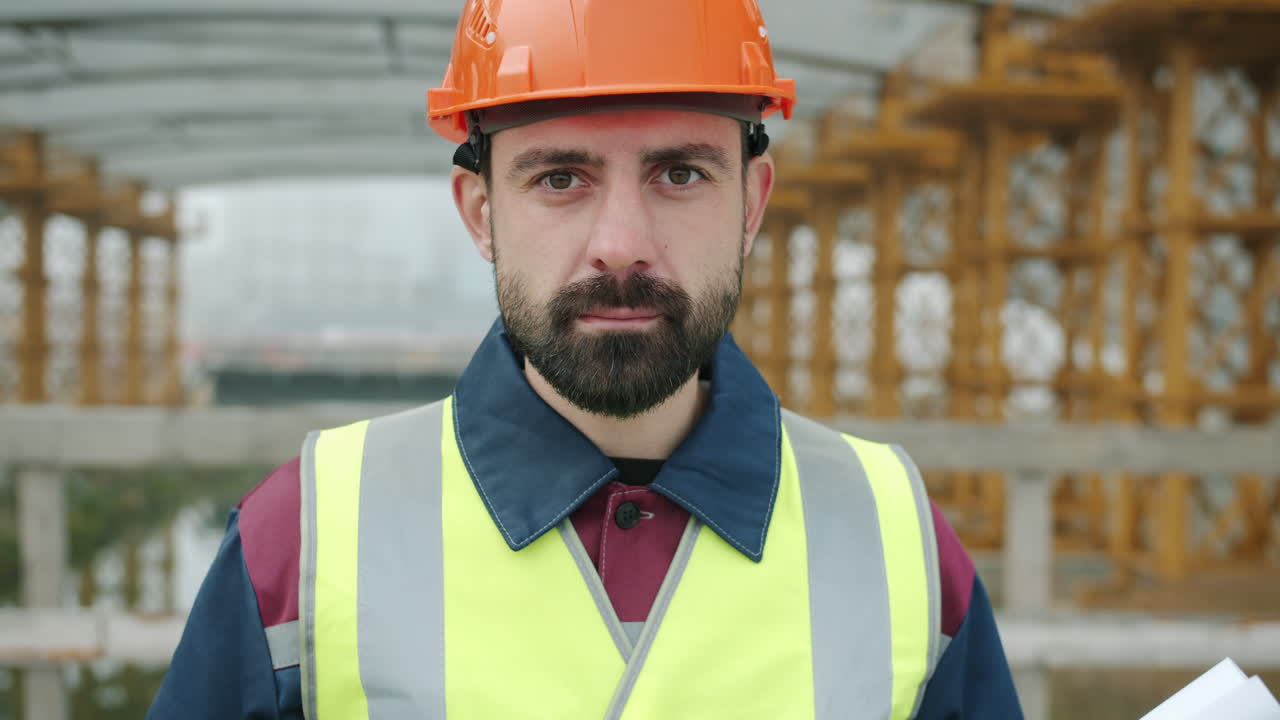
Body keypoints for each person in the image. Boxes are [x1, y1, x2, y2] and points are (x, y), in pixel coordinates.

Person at [146, 0, 1021, 717]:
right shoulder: (300, 543)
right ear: (481, 210)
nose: (621, 245)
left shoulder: (898, 543)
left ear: (752, 202)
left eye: (679, 174)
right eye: (560, 178)